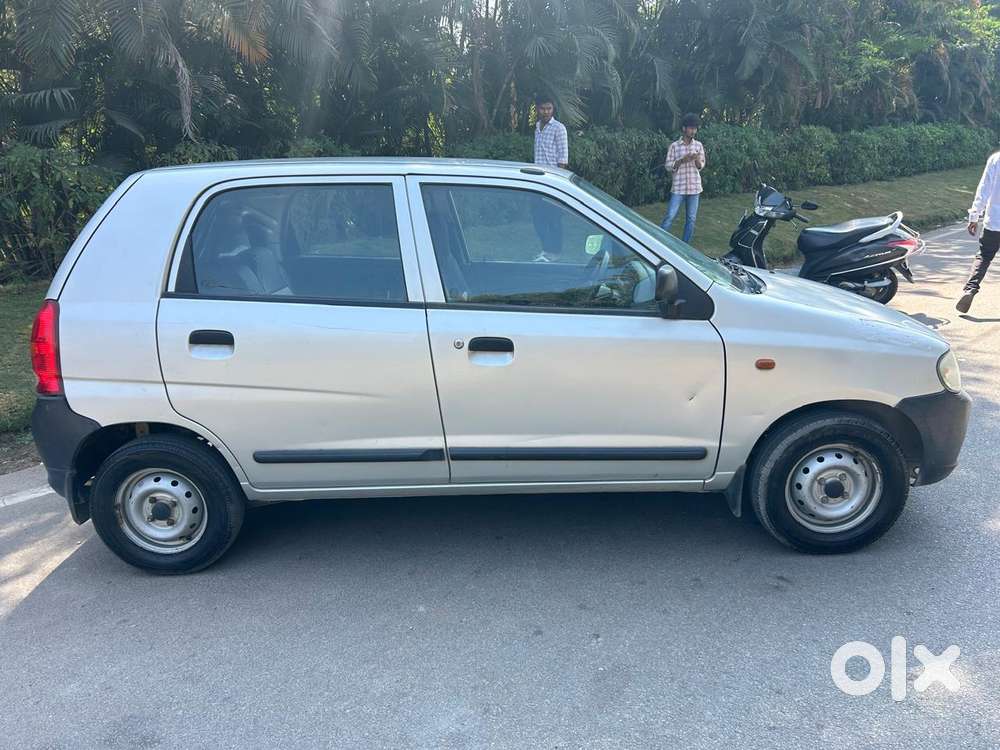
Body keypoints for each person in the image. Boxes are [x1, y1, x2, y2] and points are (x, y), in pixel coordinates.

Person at [958, 150, 1000, 313]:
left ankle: (970, 288)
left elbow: (984, 189)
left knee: (984, 256)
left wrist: (974, 216)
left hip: (994, 221)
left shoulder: (996, 159)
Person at [531, 94, 569, 260]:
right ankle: (546, 249)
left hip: (552, 180)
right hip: (537, 180)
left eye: (549, 108)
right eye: (542, 108)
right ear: (537, 109)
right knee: (538, 218)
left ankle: (555, 252)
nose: (546, 112)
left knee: (554, 219)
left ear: (553, 109)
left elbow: (563, 158)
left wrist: (558, 183)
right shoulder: (537, 127)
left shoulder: (559, 128)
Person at [660, 113, 706, 243]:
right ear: (684, 128)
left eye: (695, 128)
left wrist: (696, 159)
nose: (693, 131)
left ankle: (685, 246)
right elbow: (668, 166)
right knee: (670, 216)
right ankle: (658, 241)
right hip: (678, 187)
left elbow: (701, 166)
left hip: (694, 187)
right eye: (691, 128)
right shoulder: (674, 146)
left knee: (691, 219)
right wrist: (681, 161)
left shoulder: (698, 146)